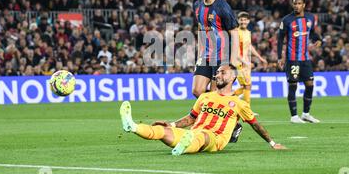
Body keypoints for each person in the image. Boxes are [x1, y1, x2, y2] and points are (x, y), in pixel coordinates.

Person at [119, 64, 287, 155]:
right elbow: (190, 118)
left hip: (215, 138)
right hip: (194, 131)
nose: (218, 75)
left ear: (233, 77)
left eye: (222, 72)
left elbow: (255, 125)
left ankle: (185, 146)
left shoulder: (239, 104)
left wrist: (272, 143)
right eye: (218, 72)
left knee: (202, 136)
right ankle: (132, 126)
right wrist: (171, 124)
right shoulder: (205, 97)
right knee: (162, 131)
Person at [191, 0, 244, 142]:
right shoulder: (197, 5)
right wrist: (199, 54)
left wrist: (234, 58)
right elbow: (201, 29)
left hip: (222, 56)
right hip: (206, 55)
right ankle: (233, 121)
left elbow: (234, 31)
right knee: (197, 90)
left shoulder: (222, 7)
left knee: (215, 94)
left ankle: (222, 127)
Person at [277, 0, 322, 124]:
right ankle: (294, 116)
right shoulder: (286, 20)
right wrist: (280, 56)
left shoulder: (310, 17)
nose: (296, 6)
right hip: (292, 59)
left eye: (299, 3)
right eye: (295, 3)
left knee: (310, 85)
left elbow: (312, 32)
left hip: (305, 59)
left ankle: (306, 114)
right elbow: (280, 39)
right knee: (293, 85)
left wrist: (318, 39)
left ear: (304, 5)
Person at [233, 11, 268, 108]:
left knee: (246, 86)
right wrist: (244, 62)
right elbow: (234, 50)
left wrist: (260, 57)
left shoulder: (248, 32)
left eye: (245, 20)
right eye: (241, 20)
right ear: (238, 20)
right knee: (247, 85)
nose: (243, 22)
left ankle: (230, 99)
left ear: (248, 21)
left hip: (245, 62)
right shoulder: (236, 32)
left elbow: (249, 46)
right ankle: (245, 107)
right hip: (238, 62)